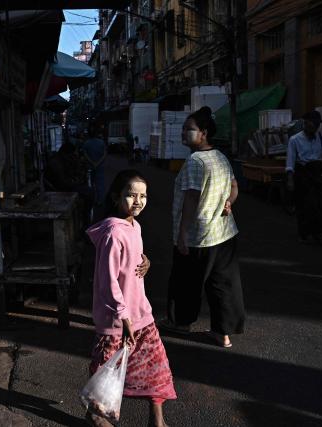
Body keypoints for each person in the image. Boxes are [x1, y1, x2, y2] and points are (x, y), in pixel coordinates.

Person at [86, 170, 176, 427]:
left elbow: (131, 260)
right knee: (106, 370)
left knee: (155, 365)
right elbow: (108, 280)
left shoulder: (134, 226)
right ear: (116, 198)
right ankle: (96, 415)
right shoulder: (113, 233)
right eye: (131, 195)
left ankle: (157, 420)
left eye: (143, 196)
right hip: (117, 319)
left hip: (141, 314)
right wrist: (123, 317)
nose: (138, 201)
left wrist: (144, 260)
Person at [161, 106, 245, 348]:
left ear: (204, 133)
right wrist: (229, 202)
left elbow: (191, 198)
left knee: (185, 281)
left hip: (199, 236)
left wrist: (182, 234)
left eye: (189, 129)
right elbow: (234, 186)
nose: (183, 133)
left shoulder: (195, 162)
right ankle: (223, 332)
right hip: (224, 233)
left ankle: (180, 322)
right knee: (222, 284)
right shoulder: (220, 157)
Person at [286, 110, 322, 244]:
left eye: (317, 124)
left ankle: (318, 232)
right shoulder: (295, 140)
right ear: (305, 124)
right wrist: (290, 180)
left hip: (317, 174)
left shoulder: (320, 137)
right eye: (312, 123)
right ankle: (303, 234)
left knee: (321, 204)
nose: (315, 127)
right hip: (303, 174)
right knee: (304, 205)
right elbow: (290, 162)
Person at [82, 125, 107, 206]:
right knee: (100, 184)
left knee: (90, 184)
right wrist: (98, 163)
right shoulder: (101, 142)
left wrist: (92, 163)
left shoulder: (86, 143)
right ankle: (100, 201)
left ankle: (92, 200)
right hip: (100, 167)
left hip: (90, 167)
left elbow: (85, 155)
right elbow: (104, 154)